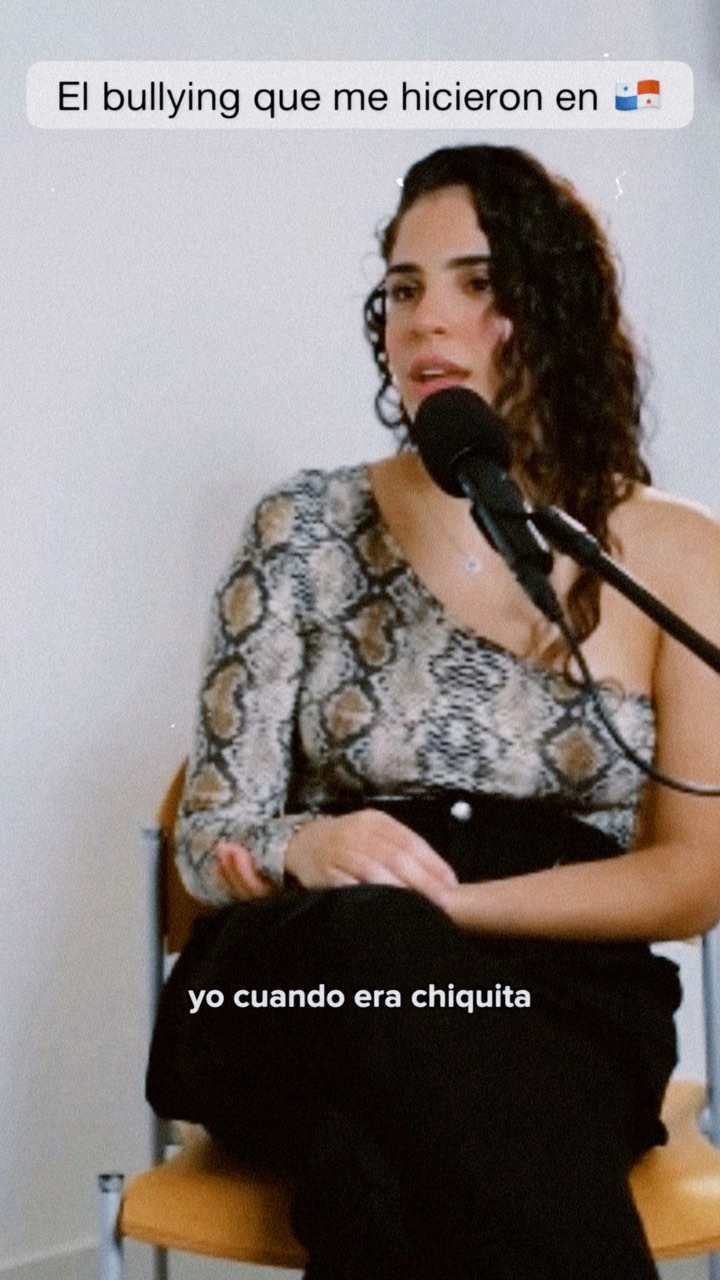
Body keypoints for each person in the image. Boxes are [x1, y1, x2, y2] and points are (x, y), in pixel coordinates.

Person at [146, 145, 720, 1279]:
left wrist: (453, 911)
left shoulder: (676, 552)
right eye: (404, 288)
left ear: (555, 310)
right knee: (377, 941)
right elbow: (211, 839)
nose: (426, 318)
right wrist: (306, 845)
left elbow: (694, 876)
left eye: (476, 281)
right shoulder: (302, 527)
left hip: (559, 994)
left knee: (376, 1170)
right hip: (306, 974)